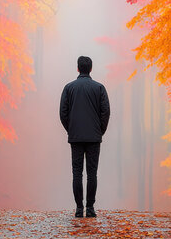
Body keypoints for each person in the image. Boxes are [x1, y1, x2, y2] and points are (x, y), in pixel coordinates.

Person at [59, 56, 110, 218]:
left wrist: (71, 129)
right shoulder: (99, 88)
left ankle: (79, 209)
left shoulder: (69, 88)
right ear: (91, 69)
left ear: (78, 68)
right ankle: (90, 208)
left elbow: (63, 113)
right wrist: (100, 131)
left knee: (77, 173)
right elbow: (105, 112)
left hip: (76, 137)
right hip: (94, 137)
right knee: (92, 173)